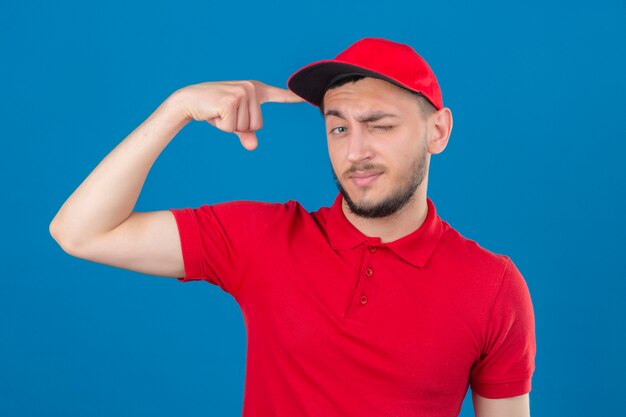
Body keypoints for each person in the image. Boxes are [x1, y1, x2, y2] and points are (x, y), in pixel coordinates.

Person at [50, 37, 536, 417]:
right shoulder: (265, 239)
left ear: (438, 131)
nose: (355, 152)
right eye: (339, 127)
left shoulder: (492, 287)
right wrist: (176, 109)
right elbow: (80, 231)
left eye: (381, 125)